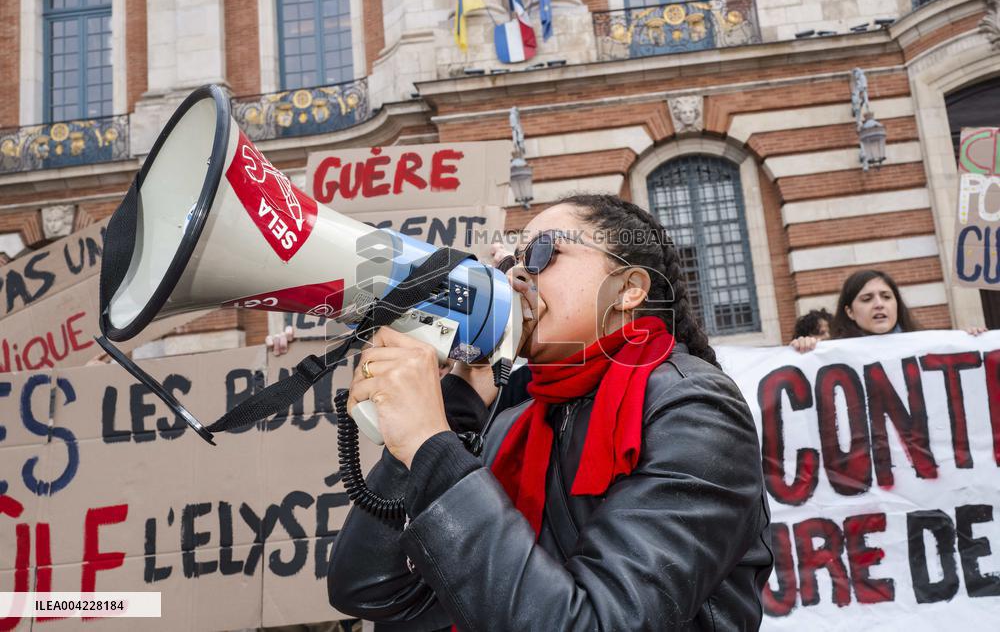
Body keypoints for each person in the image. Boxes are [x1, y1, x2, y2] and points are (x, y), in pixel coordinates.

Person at [326, 194, 772, 631]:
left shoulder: (693, 408)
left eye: (543, 253)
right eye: (512, 262)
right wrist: (450, 409)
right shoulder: (511, 421)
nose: (517, 276)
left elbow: (596, 621)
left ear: (628, 289)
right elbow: (373, 590)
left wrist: (431, 445)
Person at [790, 269, 985, 353]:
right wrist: (803, 350)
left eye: (886, 296)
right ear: (849, 312)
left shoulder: (929, 345)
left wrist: (974, 343)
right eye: (867, 299)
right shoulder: (831, 354)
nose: (879, 304)